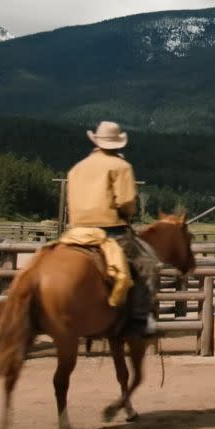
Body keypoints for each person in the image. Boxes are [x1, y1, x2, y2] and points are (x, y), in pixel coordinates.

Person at [66, 121, 159, 336]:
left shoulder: (77, 168)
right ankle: (141, 318)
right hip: (110, 230)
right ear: (118, 144)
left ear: (97, 142)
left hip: (77, 231)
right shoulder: (121, 167)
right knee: (147, 265)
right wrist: (128, 213)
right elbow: (126, 202)